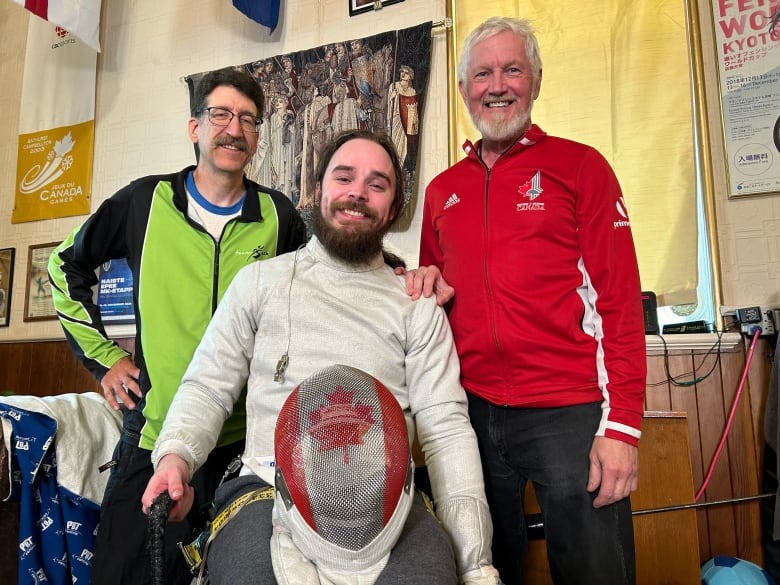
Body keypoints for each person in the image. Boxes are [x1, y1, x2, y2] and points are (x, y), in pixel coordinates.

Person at [141, 129, 499, 585]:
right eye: (344, 177)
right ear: (318, 190)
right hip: (267, 490)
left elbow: (445, 429)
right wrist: (175, 457)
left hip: (390, 500)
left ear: (393, 208)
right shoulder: (260, 283)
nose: (357, 194)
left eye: (377, 184)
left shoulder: (416, 303)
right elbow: (208, 386)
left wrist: (476, 563)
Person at [48, 68, 308, 585]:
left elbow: (328, 275)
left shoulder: (278, 216)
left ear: (258, 137)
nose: (233, 128)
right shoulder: (145, 203)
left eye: (248, 120)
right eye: (220, 114)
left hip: (244, 445)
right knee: (123, 574)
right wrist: (105, 358)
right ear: (195, 128)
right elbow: (62, 267)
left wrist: (399, 274)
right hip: (155, 431)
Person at [419, 16, 647, 585]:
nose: (496, 85)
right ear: (466, 88)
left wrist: (621, 428)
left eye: (512, 69)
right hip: (470, 411)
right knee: (486, 570)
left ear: (536, 81)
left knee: (596, 571)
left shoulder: (581, 167)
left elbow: (617, 302)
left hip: (568, 412)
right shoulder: (441, 192)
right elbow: (433, 290)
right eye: (482, 73)